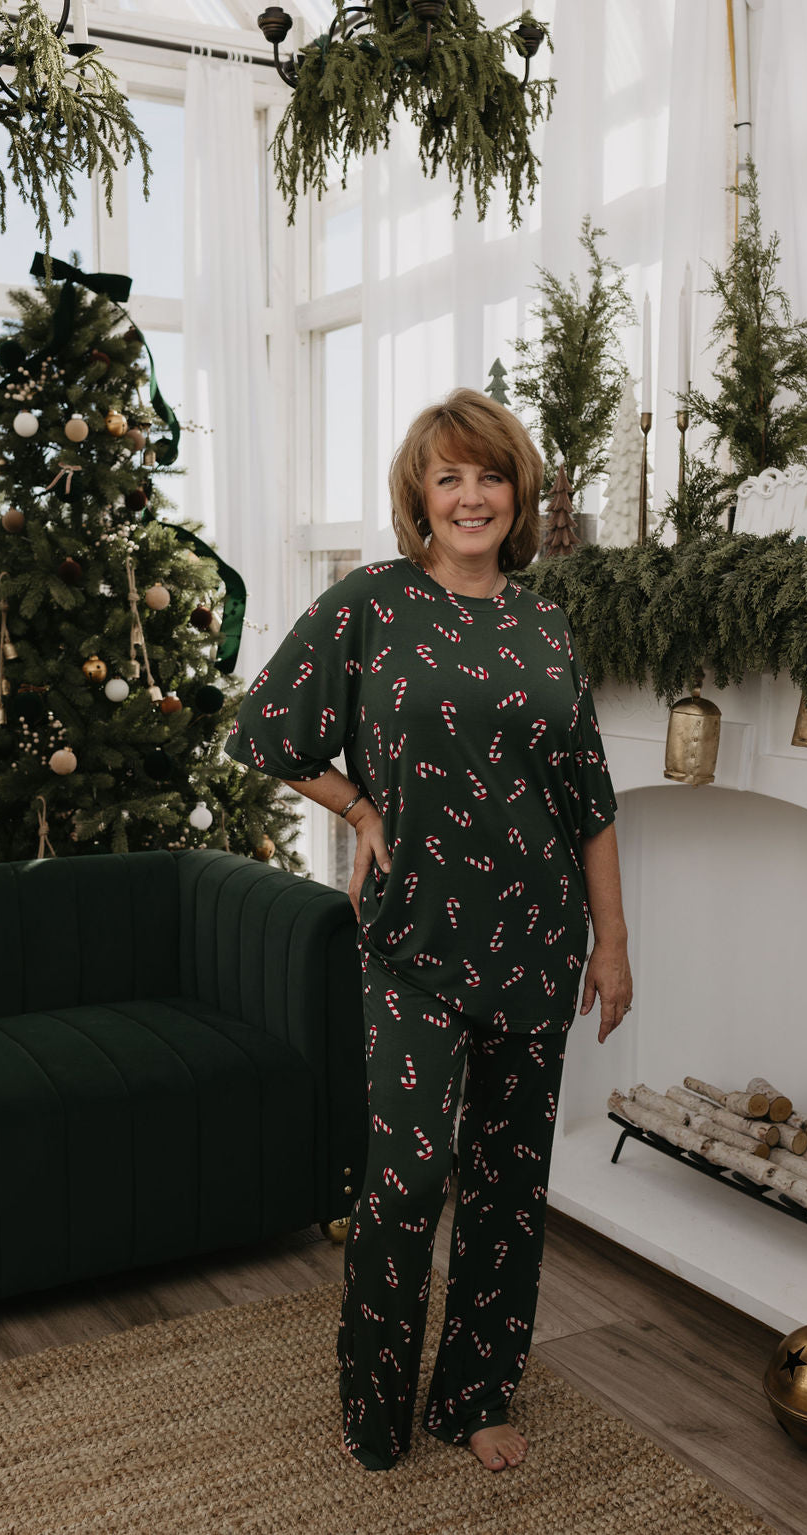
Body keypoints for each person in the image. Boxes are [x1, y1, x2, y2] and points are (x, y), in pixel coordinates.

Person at [226, 388, 632, 1474]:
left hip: (538, 937)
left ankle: (476, 1395)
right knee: (405, 1181)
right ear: (419, 495)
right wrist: (361, 807)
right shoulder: (371, 602)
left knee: (509, 1180)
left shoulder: (545, 624)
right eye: (447, 477)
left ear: (518, 493)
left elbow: (586, 794)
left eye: (489, 475)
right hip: (412, 938)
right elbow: (262, 726)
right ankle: (375, 1404)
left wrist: (614, 938)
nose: (469, 495)